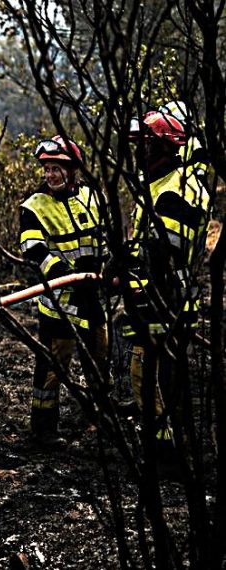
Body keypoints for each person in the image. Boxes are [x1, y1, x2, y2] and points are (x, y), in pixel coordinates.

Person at [122, 108, 211, 465]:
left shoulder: (176, 190)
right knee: (157, 375)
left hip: (167, 299)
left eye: (146, 146)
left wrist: (125, 266)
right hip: (157, 295)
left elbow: (165, 251)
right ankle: (168, 444)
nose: (140, 154)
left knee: (154, 376)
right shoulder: (158, 184)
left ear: (165, 148)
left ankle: (167, 453)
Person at [18, 135, 110, 449]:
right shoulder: (34, 207)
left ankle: (101, 420)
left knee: (100, 358)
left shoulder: (92, 197)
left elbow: (106, 238)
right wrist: (65, 275)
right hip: (60, 306)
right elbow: (34, 249)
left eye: (56, 168)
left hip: (93, 300)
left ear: (72, 170)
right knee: (53, 370)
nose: (50, 175)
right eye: (46, 169)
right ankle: (43, 430)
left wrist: (107, 269)